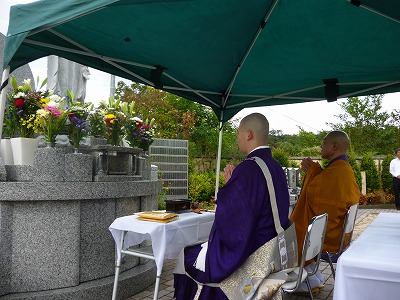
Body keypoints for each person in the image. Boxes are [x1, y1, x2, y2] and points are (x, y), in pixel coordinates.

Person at [173, 113, 291, 299]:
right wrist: (234, 187)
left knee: (186, 256)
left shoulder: (248, 169)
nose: (237, 139)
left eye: (238, 134)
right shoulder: (275, 166)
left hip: (255, 252)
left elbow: (234, 225)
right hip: (274, 247)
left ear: (249, 134)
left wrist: (229, 189)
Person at [290, 130, 360, 292]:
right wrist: (314, 171)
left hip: (330, 232)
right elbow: (325, 189)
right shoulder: (343, 168)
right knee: (298, 227)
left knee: (293, 231)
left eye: (324, 143)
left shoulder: (338, 171)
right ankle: (313, 274)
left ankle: (309, 279)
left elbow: (314, 194)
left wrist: (313, 171)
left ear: (334, 146)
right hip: (339, 229)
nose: (321, 146)